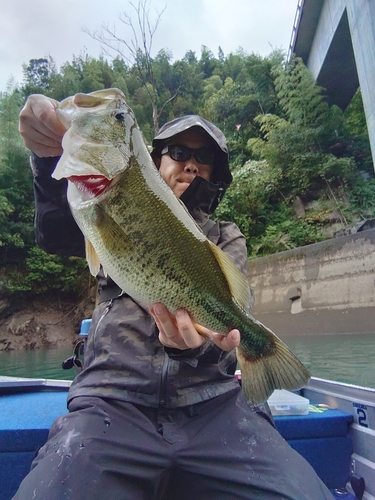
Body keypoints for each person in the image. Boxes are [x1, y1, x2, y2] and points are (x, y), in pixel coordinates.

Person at [14, 94, 334, 500]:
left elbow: (229, 327)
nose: (190, 164)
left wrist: (189, 350)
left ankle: (265, 357)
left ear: (216, 175)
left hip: (213, 404)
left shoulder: (226, 235)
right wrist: (46, 158)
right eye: (178, 151)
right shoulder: (104, 197)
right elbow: (55, 232)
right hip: (112, 400)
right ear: (153, 159)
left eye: (204, 158)